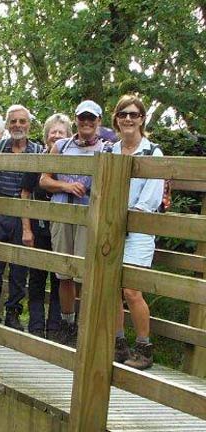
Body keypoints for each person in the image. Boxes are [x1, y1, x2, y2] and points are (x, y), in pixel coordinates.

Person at [39, 100, 113, 346]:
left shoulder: (107, 149)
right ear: (76, 120)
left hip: (89, 215)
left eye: (92, 118)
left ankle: (86, 326)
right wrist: (66, 185)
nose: (87, 122)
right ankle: (67, 325)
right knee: (64, 273)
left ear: (99, 121)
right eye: (83, 118)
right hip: (61, 212)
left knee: (85, 273)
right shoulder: (61, 146)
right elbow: (44, 180)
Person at [111, 95, 164, 370]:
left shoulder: (152, 152)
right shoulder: (110, 151)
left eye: (134, 114)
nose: (128, 119)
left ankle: (144, 348)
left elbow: (151, 198)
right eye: (123, 114)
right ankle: (118, 344)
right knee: (111, 289)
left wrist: (128, 218)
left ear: (142, 118)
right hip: (112, 228)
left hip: (139, 230)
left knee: (132, 290)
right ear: (116, 119)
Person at [0, 105, 42, 330]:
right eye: (13, 122)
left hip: (24, 214)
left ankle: (13, 313)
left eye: (22, 121)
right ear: (7, 125)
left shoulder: (37, 151)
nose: (18, 126)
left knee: (19, 268)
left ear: (29, 125)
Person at [20, 113, 72, 339]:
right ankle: (36, 326)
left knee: (61, 278)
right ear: (46, 135)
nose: (56, 136)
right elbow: (25, 194)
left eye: (61, 132)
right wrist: (26, 229)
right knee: (37, 277)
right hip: (39, 229)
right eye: (53, 132)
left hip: (64, 228)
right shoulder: (38, 160)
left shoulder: (72, 162)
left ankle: (55, 328)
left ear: (68, 136)